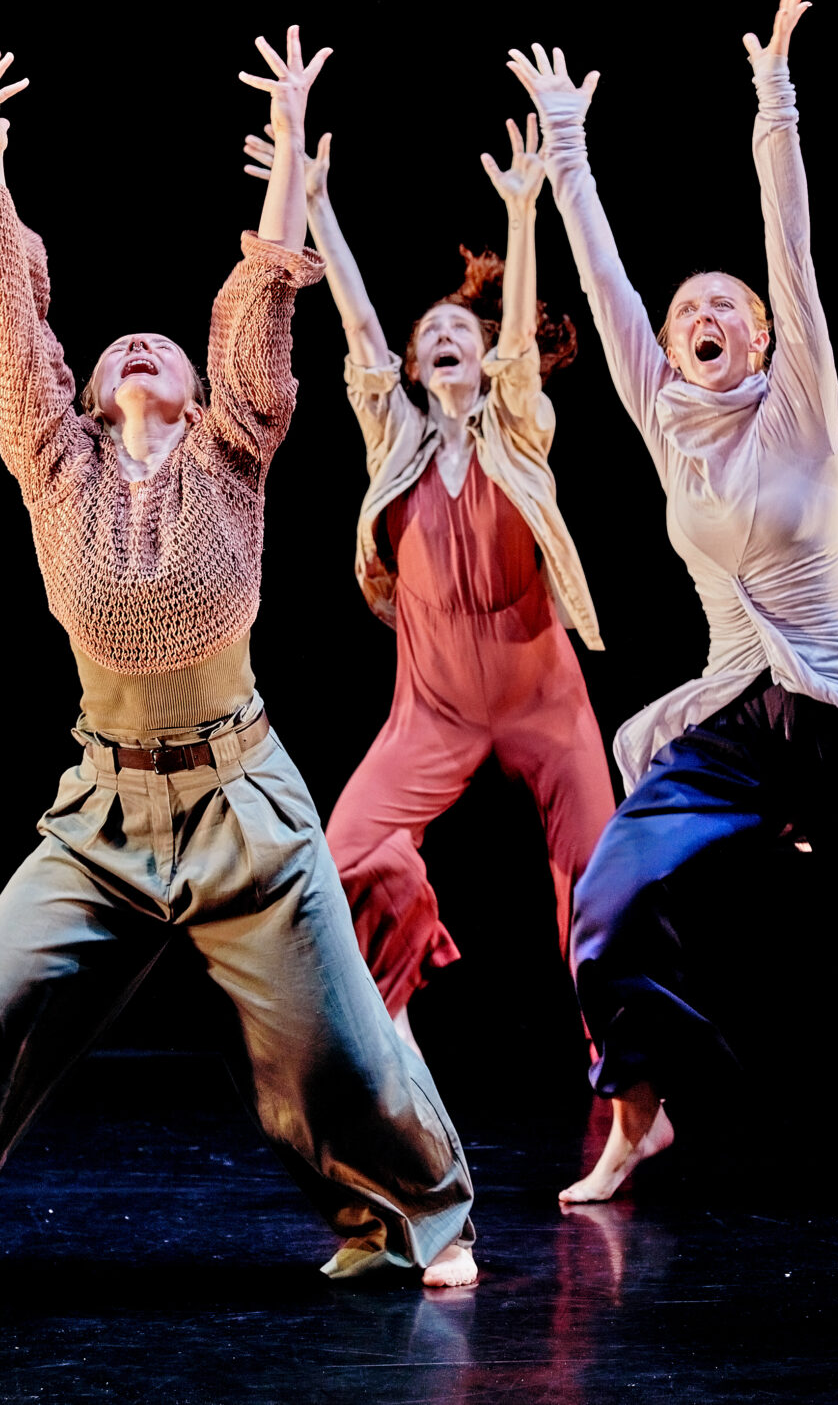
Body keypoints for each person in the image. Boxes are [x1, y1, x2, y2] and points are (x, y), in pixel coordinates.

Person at [0, 34, 478, 1295]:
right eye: (121, 350)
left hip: (247, 805)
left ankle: (416, 1217)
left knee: (331, 1050)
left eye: (161, 346)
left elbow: (261, 303)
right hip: (103, 813)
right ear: (97, 388)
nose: (141, 352)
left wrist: (285, 148)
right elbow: (14, 330)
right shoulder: (56, 465)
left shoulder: (236, 449)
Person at [507, 0, 838, 1208]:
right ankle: (637, 1114)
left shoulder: (802, 406)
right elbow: (601, 277)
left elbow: (789, 243)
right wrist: (565, 147)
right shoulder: (664, 423)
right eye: (688, 309)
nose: (706, 317)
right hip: (734, 719)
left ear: (762, 337)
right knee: (607, 894)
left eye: (727, 309)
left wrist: (774, 100)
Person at [247, 109, 616, 1049]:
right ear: (416, 364)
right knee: (350, 852)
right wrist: (321, 210)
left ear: (484, 357)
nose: (446, 337)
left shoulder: (518, 433)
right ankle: (397, 1017)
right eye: (432, 333)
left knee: (600, 875)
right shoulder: (398, 444)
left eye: (464, 329)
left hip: (544, 695)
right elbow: (359, 326)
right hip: (435, 705)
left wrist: (525, 213)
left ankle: (624, 1079)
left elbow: (523, 352)